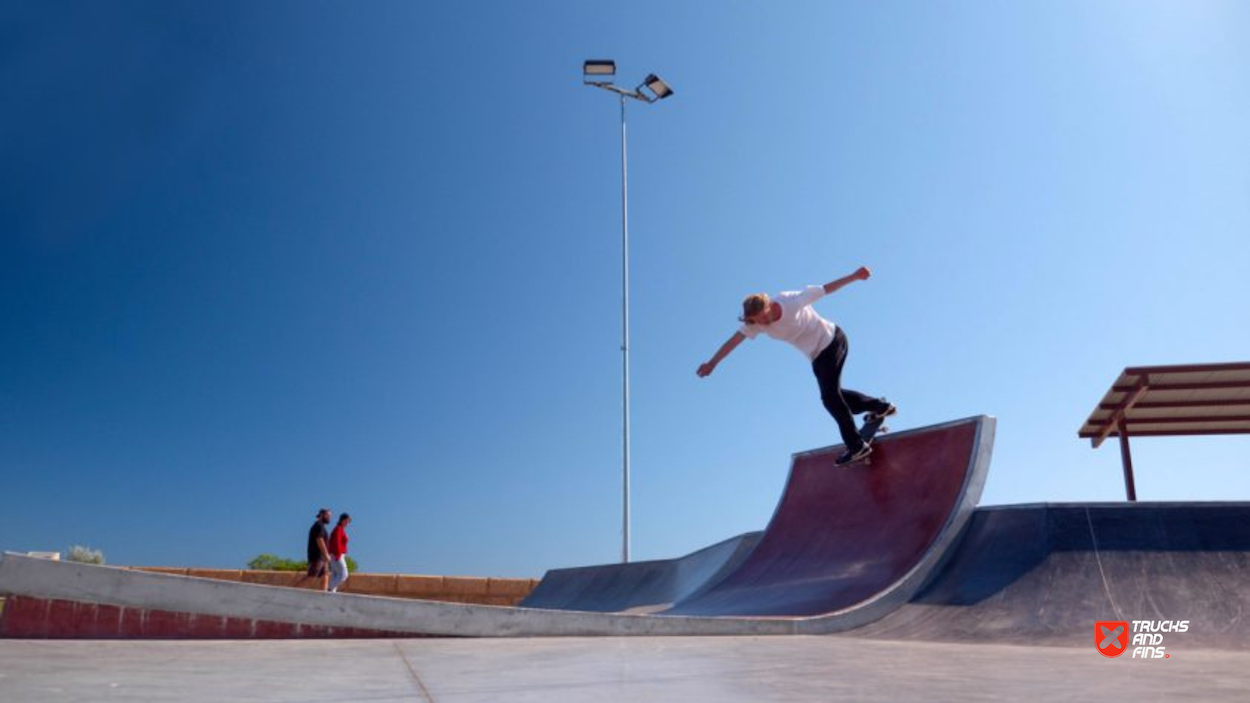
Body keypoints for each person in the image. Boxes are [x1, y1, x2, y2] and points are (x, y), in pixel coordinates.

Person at [697, 266, 895, 465]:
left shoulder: (790, 301)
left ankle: (856, 446)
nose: (764, 323)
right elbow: (733, 341)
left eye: (765, 317)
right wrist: (712, 363)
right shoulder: (754, 324)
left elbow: (826, 289)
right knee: (835, 394)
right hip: (816, 355)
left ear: (769, 305)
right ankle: (879, 406)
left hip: (832, 340)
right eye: (758, 321)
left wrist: (854, 276)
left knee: (829, 398)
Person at [297, 508, 332, 591]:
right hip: (317, 556)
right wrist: (326, 554)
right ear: (322, 515)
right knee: (311, 576)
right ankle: (290, 593)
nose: (329, 518)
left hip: (322, 558)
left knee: (325, 576)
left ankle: (324, 597)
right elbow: (319, 539)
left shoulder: (321, 526)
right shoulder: (318, 525)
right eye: (328, 516)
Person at [327, 513, 351, 593]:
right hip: (337, 554)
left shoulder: (339, 529)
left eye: (349, 521)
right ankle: (329, 589)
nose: (348, 523)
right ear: (342, 520)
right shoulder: (338, 529)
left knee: (335, 575)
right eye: (347, 520)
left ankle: (331, 593)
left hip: (335, 554)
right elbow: (336, 543)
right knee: (344, 574)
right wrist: (338, 555)